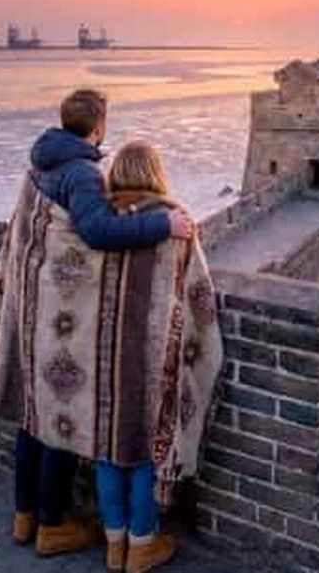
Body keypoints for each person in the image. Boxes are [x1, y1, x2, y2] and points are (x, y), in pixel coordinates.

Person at [0, 89, 193, 558]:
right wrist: (164, 226)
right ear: (98, 127)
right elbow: (97, 233)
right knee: (59, 419)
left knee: (32, 417)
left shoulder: (40, 164)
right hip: (55, 316)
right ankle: (52, 525)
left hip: (33, 310)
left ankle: (24, 516)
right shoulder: (81, 172)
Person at [96, 141, 223, 573]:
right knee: (146, 452)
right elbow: (199, 293)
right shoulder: (176, 222)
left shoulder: (99, 222)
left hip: (103, 355)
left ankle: (114, 545)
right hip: (155, 357)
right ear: (155, 172)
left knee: (108, 448)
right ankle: (141, 545)